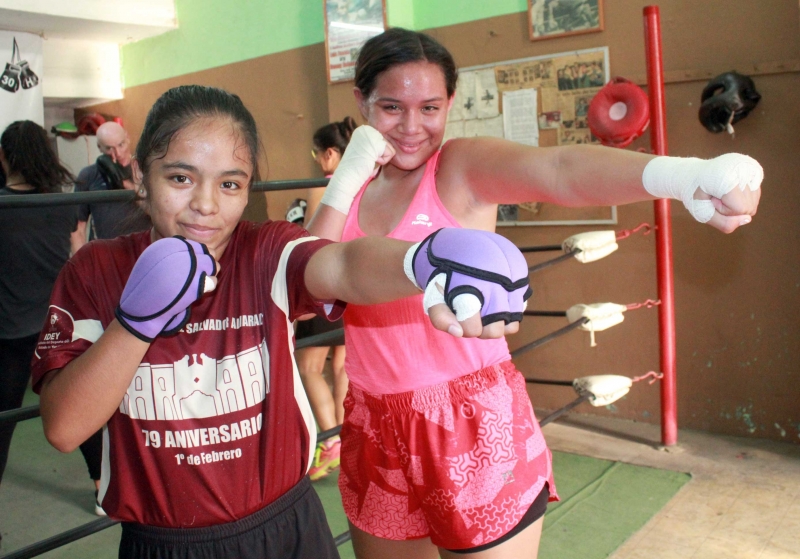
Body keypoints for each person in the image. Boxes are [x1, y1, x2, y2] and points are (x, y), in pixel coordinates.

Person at [306, 28, 763, 559]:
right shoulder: (351, 185)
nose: (411, 127)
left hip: (468, 418)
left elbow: (558, 170)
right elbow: (309, 274)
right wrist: (346, 181)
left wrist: (683, 175)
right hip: (374, 418)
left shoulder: (457, 166)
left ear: (450, 102)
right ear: (360, 101)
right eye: (390, 106)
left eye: (429, 107)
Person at [31, 85, 528, 559]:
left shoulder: (265, 250)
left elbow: (344, 266)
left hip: (287, 531)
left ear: (247, 190)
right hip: (161, 543)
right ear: (141, 175)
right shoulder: (95, 269)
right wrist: (134, 325)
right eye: (180, 178)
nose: (205, 204)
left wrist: (423, 258)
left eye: (229, 184)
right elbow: (64, 428)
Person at [0, 121, 77, 491]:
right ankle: (100, 488)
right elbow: (77, 256)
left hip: (12, 330)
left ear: (4, 156)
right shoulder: (59, 202)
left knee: (4, 420)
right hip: (55, 326)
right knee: (78, 403)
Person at [287, 116, 357, 481]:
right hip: (353, 287)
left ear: (330, 154)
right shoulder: (364, 183)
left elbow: (310, 241)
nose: (317, 160)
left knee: (309, 366)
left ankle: (331, 442)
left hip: (324, 285)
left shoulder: (324, 185)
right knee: (341, 365)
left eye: (317, 154)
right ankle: (345, 438)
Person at [71, 121, 151, 253]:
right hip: (104, 255)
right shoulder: (88, 175)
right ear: (99, 147)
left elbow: (153, 209)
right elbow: (78, 227)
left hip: (142, 253)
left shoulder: (145, 170)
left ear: (127, 138)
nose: (118, 153)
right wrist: (80, 263)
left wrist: (123, 182)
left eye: (121, 145)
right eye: (109, 148)